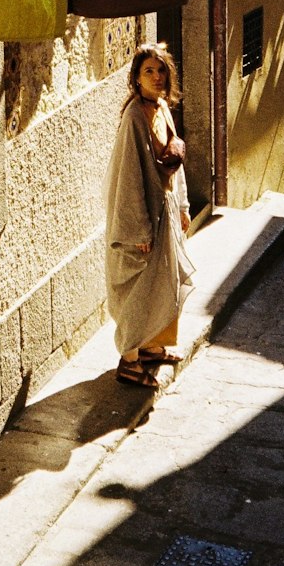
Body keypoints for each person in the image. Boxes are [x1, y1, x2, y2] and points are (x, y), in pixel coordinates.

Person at [104, 43, 196, 389]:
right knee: (137, 290)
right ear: (136, 78)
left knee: (163, 283)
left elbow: (175, 163)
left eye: (161, 71)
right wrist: (138, 231)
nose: (157, 78)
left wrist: (184, 206)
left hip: (166, 211)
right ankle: (129, 360)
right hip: (141, 221)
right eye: (149, 72)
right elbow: (128, 178)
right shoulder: (134, 119)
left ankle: (152, 346)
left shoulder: (160, 107)